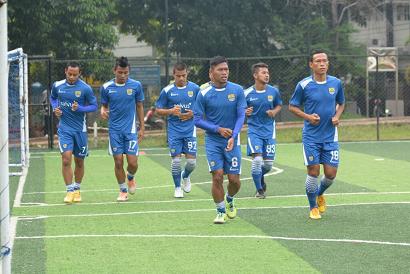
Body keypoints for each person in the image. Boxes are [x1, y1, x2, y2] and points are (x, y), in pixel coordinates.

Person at [289, 50, 345, 220]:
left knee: (330, 174)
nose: (322, 64)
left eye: (325, 61)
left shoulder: (336, 83)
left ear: (328, 63)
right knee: (313, 171)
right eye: (318, 61)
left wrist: (336, 116)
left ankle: (319, 193)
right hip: (311, 137)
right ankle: (313, 206)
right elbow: (292, 107)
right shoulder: (304, 85)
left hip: (330, 137)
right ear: (311, 64)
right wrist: (308, 117)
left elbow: (341, 103)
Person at [194, 56, 246, 224]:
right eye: (220, 70)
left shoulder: (237, 90)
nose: (224, 73)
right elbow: (196, 119)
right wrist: (217, 129)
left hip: (233, 141)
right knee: (217, 176)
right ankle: (220, 210)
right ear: (211, 73)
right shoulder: (203, 93)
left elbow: (241, 115)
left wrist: (233, 135)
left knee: (234, 181)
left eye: (226, 69)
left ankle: (230, 198)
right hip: (213, 141)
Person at [50, 62, 97, 204]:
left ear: (79, 73)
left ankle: (77, 189)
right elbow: (53, 98)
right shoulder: (57, 86)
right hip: (64, 129)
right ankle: (69, 191)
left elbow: (94, 106)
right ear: (65, 71)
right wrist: (55, 108)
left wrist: (80, 108)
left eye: (75, 75)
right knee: (66, 159)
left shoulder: (85, 88)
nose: (71, 77)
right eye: (69, 74)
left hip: (80, 131)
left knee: (79, 161)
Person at [100, 57, 145, 202]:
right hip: (114, 131)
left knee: (132, 163)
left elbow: (139, 106)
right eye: (120, 72)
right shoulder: (106, 87)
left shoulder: (136, 86)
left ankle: (130, 177)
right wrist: (102, 110)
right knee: (118, 161)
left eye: (126, 72)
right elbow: (104, 105)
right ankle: (122, 190)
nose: (123, 75)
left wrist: (142, 127)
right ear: (114, 71)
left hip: (131, 131)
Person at [155, 63, 200, 198]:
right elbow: (158, 110)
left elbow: (203, 108)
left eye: (184, 75)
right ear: (174, 75)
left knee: (192, 163)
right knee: (176, 161)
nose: (181, 78)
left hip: (190, 130)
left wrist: (193, 114)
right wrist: (170, 111)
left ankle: (185, 176)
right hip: (174, 131)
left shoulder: (195, 89)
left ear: (187, 74)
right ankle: (177, 187)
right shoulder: (167, 90)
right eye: (178, 76)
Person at [244, 63, 282, 199]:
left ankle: (260, 179)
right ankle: (260, 190)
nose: (267, 75)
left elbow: (279, 105)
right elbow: (240, 111)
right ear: (255, 75)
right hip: (254, 131)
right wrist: (245, 112)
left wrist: (274, 112)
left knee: (268, 165)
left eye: (267, 72)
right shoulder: (247, 93)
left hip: (269, 131)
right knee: (257, 161)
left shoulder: (273, 91)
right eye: (263, 72)